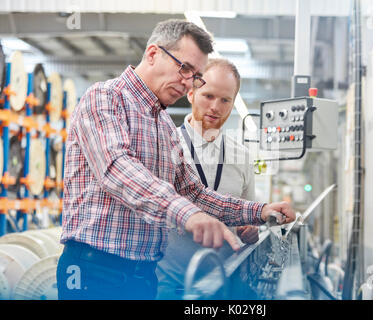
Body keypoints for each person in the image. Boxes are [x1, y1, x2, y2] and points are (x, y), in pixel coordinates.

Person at [56, 19, 295, 300]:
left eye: (194, 75)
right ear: (153, 54)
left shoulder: (163, 124)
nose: (186, 82)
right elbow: (117, 168)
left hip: (144, 274)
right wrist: (189, 215)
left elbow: (194, 193)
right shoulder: (105, 98)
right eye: (184, 68)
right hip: (96, 269)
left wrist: (259, 210)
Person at [156, 58, 259, 299]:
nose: (215, 107)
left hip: (224, 283)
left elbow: (248, 214)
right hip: (168, 284)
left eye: (225, 100)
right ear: (191, 93)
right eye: (208, 96)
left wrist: (250, 229)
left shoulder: (242, 157)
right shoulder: (164, 145)